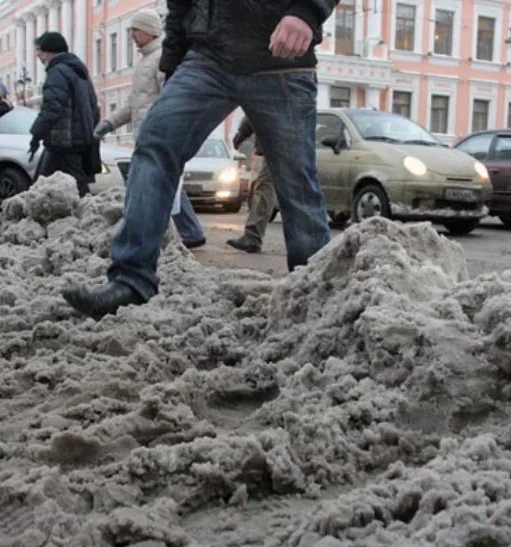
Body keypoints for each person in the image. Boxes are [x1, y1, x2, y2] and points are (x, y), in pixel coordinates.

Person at [62, 0, 337, 319]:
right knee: (155, 143)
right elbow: (179, 5)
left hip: (281, 56)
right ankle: (131, 281)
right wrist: (173, 64)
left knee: (296, 180)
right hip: (208, 56)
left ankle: (315, 294)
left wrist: (307, 12)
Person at [94, 9, 206, 250]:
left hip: (159, 134)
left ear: (148, 31)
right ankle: (190, 231)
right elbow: (133, 104)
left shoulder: (162, 58)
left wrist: (161, 129)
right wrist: (109, 123)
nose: (132, 35)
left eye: (135, 30)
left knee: (155, 182)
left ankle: (164, 236)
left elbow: (169, 98)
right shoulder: (145, 60)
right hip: (146, 132)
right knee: (167, 183)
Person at [29, 32, 100, 197]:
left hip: (64, 141)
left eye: (40, 50)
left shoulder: (57, 72)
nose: (38, 55)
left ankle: (90, 217)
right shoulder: (78, 71)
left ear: (49, 51)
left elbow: (52, 108)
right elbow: (93, 106)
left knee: (67, 187)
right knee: (45, 186)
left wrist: (36, 133)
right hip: (79, 139)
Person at [226, 116, 278, 254]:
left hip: (276, 144)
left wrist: (241, 135)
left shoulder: (269, 94)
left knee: (264, 189)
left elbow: (253, 108)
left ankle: (252, 238)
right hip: (297, 143)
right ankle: (310, 246)